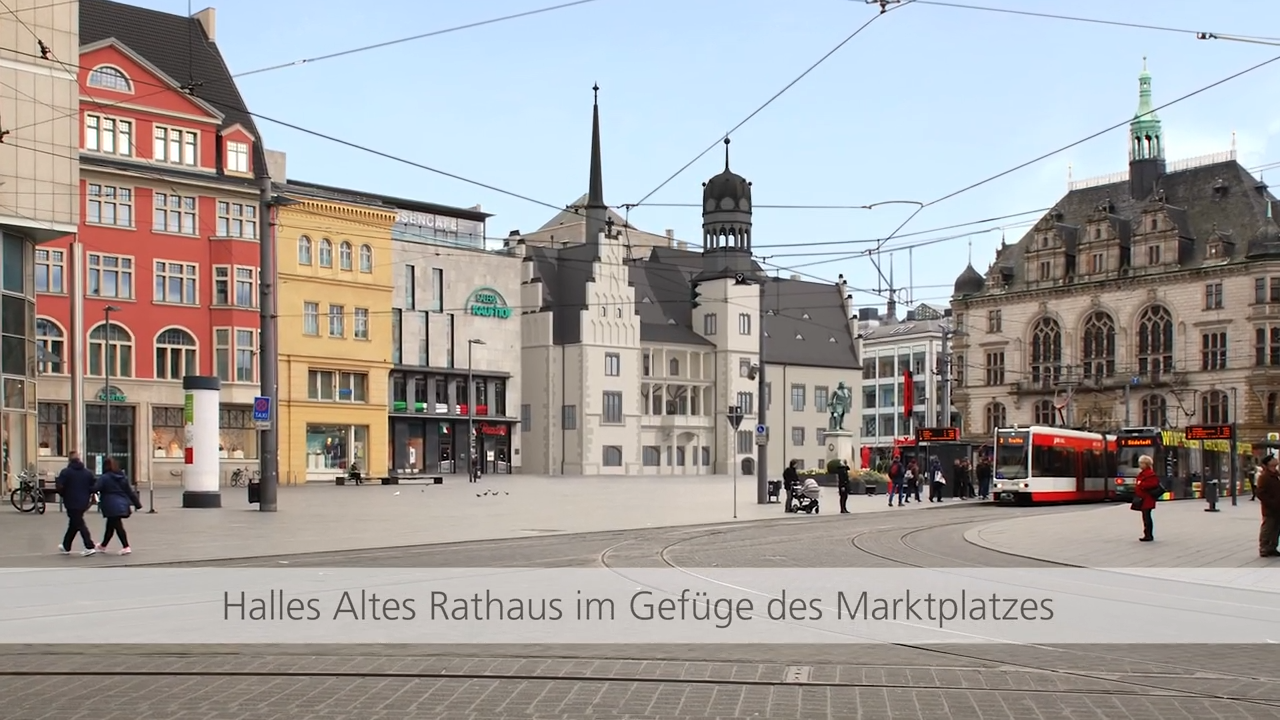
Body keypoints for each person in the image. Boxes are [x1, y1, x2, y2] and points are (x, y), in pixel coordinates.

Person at [93, 457, 142, 556]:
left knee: (118, 526)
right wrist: (137, 504)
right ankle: (103, 545)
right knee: (110, 526)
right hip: (122, 503)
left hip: (110, 504)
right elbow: (129, 491)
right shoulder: (122, 477)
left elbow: (96, 488)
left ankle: (126, 546)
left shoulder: (104, 477)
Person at [55, 451, 97, 556]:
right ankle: (66, 545)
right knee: (74, 523)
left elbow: (60, 486)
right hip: (84, 501)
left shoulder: (66, 472)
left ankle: (89, 546)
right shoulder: (87, 472)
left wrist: (63, 494)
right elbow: (93, 486)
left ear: (69, 459)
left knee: (79, 523)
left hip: (71, 501)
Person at [1255, 455, 1280, 557]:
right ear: (1268, 463)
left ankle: (1272, 547)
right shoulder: (1264, 476)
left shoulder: (1276, 475)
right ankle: (1264, 547)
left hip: (1278, 507)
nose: (1276, 460)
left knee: (1276, 528)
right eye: (1273, 459)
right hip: (1270, 508)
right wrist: (1271, 503)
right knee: (1268, 528)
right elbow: (1260, 493)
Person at [1133, 454, 1160, 542]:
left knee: (1147, 517)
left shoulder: (1150, 474)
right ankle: (1147, 534)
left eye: (1141, 463)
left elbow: (1153, 484)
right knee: (1145, 516)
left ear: (1146, 464)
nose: (1140, 465)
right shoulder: (1143, 473)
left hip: (1147, 499)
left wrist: (1142, 485)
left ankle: (1148, 535)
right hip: (1143, 498)